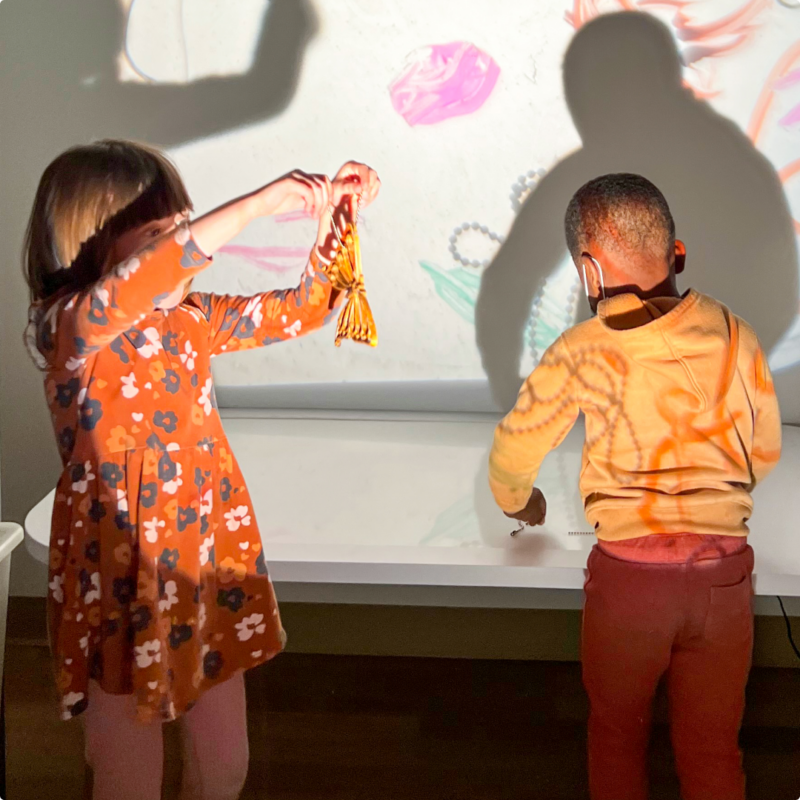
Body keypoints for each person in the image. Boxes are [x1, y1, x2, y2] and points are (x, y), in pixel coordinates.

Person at [23, 139, 380, 800]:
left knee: (226, 765)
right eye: (165, 231)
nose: (188, 242)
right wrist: (257, 203)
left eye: (185, 222)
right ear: (90, 243)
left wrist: (339, 223)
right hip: (123, 576)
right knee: (128, 772)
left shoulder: (189, 321)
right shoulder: (70, 327)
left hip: (203, 560)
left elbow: (301, 309)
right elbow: (147, 279)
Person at [487, 173, 781, 800]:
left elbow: (514, 449)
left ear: (589, 275)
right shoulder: (736, 334)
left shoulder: (578, 351)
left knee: (617, 735)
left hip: (627, 586)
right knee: (712, 748)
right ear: (678, 254)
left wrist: (521, 501)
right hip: (723, 580)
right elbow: (765, 452)